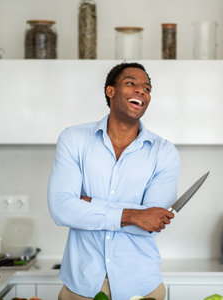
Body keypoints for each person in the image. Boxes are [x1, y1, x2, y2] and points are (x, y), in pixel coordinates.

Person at [48, 62, 180, 300]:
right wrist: (132, 215)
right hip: (81, 287)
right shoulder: (73, 139)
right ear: (110, 91)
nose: (142, 91)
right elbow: (61, 209)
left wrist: (89, 203)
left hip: (141, 287)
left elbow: (151, 224)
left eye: (147, 88)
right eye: (131, 83)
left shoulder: (164, 152)